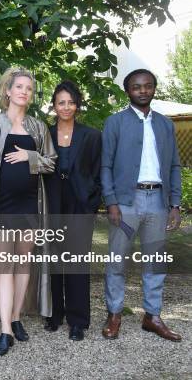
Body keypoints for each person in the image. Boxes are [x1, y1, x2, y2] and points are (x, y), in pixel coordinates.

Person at [0, 66, 56, 356]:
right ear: (7, 91)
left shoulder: (39, 127)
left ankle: (17, 317)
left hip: (30, 207)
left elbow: (51, 163)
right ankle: (5, 331)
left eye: (29, 89)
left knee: (24, 263)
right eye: (19, 87)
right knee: (5, 265)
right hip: (2, 206)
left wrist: (29, 156)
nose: (24, 91)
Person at [101, 69, 182, 342]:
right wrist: (111, 201)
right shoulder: (115, 122)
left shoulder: (165, 124)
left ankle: (152, 316)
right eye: (137, 87)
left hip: (158, 201)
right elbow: (106, 165)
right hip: (126, 202)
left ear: (154, 88)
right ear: (128, 91)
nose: (143, 90)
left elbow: (173, 166)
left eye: (148, 86)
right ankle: (114, 314)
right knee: (116, 260)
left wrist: (175, 204)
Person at [44, 80, 101, 341]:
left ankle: (78, 320)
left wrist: (92, 203)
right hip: (53, 203)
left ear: (77, 104)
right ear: (54, 106)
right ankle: (55, 314)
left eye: (70, 102)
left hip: (80, 204)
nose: (66, 107)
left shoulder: (91, 135)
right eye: (61, 102)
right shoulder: (44, 133)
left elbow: (100, 171)